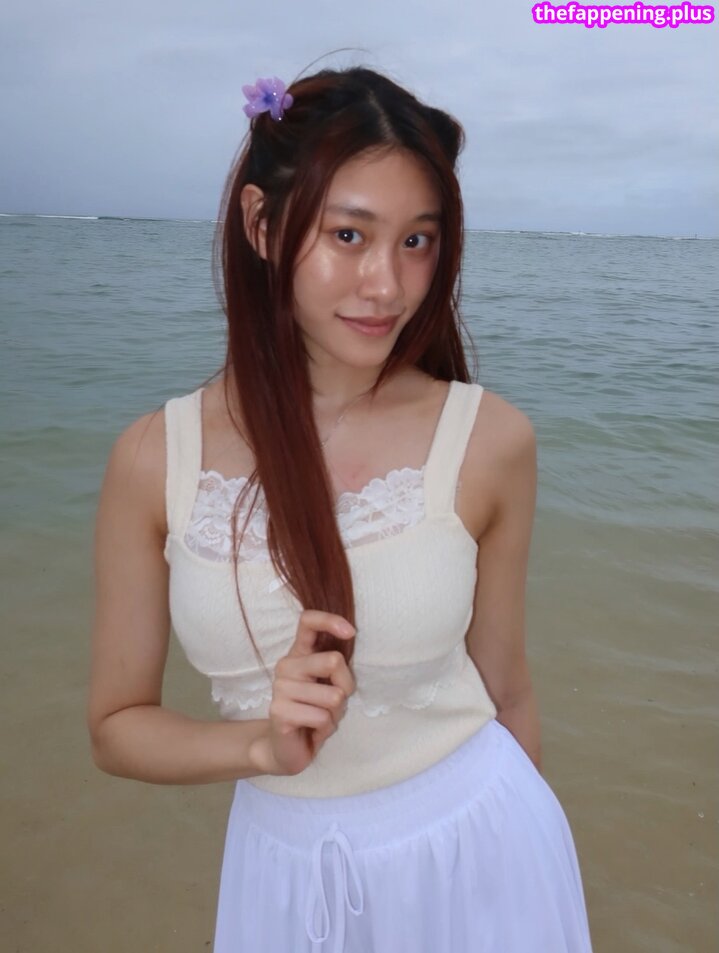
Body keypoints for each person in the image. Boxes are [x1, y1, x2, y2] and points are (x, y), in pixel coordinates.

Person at [88, 64, 594, 952]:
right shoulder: (151, 458)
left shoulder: (487, 438)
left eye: (417, 240)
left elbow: (508, 688)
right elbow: (116, 726)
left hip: (479, 849)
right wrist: (258, 747)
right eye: (349, 234)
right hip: (284, 874)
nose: (387, 285)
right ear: (260, 223)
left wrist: (532, 876)